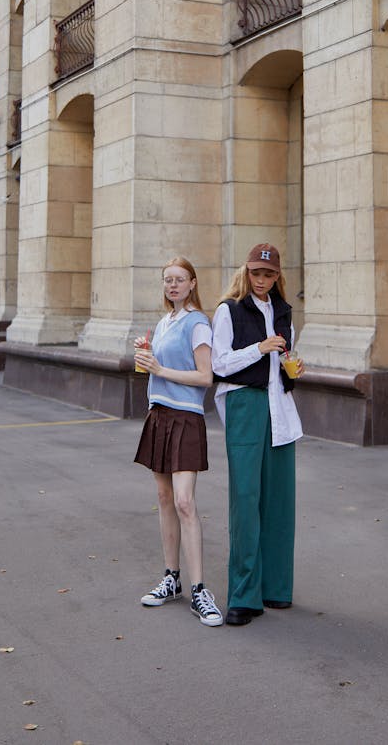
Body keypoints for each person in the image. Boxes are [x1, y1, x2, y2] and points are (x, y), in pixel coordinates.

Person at [211, 243, 304, 626]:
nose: (262, 280)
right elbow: (219, 363)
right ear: (245, 273)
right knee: (246, 500)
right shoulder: (228, 310)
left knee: (280, 501)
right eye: (256, 273)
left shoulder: (283, 312)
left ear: (277, 276)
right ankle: (243, 596)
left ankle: (276, 588)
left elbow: (284, 362)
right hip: (245, 405)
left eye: (268, 274)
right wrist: (259, 348)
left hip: (279, 407)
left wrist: (292, 366)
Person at [133, 256, 224, 627]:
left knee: (185, 502)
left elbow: (206, 376)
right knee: (164, 498)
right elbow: (157, 373)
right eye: (167, 280)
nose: (172, 285)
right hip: (160, 415)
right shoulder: (164, 321)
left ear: (192, 283)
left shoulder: (198, 323)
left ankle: (200, 589)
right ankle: (171, 579)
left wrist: (159, 369)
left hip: (187, 417)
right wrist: (148, 360)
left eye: (179, 279)